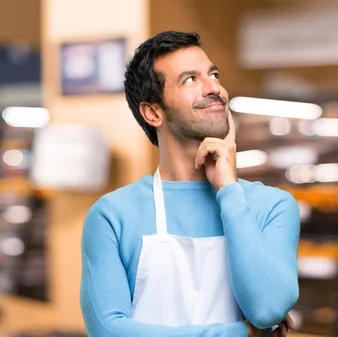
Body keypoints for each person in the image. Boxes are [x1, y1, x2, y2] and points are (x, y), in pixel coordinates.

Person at [80, 31, 300, 337]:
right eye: (190, 80)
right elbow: (107, 331)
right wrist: (240, 334)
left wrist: (228, 189)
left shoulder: (272, 206)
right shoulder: (112, 215)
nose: (214, 88)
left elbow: (266, 309)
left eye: (213, 74)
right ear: (153, 112)